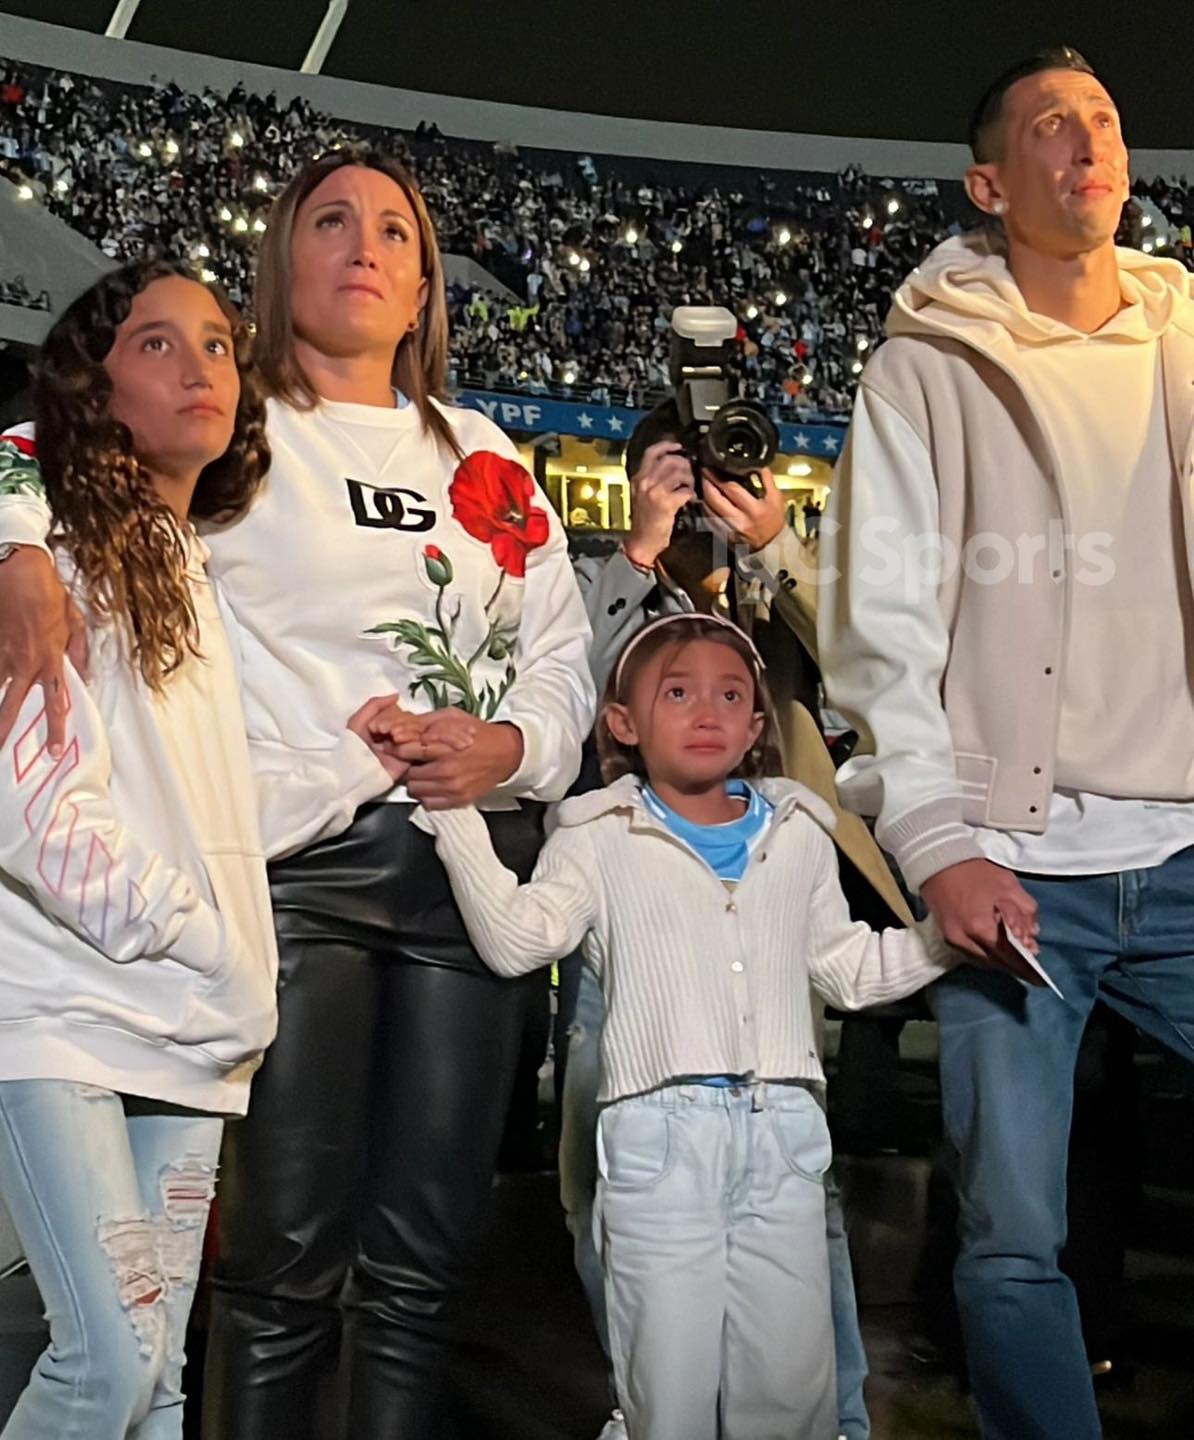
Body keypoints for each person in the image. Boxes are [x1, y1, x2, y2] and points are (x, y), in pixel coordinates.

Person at [0, 149, 594, 1440]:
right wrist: (18, 551)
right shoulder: (230, 426)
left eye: (395, 228)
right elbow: (38, 439)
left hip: (463, 881)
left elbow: (562, 653)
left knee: (425, 1257)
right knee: (280, 1261)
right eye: (331, 220)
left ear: (427, 279)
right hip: (282, 888)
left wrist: (507, 747)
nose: (365, 245)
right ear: (279, 261)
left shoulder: (483, 457)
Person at [367, 614, 1034, 1440]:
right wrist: (457, 818)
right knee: (667, 1395)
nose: (707, 712)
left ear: (757, 726)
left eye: (730, 695)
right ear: (624, 724)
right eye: (677, 693)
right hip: (659, 1143)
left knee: (791, 1398)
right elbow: (519, 942)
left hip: (785, 1137)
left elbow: (849, 969)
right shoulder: (597, 836)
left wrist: (950, 938)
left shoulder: (796, 836)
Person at [820, 47, 1194, 1440]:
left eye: (1102, 116)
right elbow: (881, 629)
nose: (1086, 140)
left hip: (1184, 845)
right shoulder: (924, 365)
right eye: (1050, 125)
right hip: (1013, 871)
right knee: (1010, 1238)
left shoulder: (1185, 334)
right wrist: (934, 846)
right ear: (990, 183)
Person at [0, 260, 398, 1440]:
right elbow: (28, 802)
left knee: (160, 1380)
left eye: (220, 345)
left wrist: (358, 762)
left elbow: (216, 809)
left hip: (185, 1035)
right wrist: (190, 932)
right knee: (109, 1367)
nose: (202, 368)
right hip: (65, 1014)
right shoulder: (49, 552)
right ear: (93, 382)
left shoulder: (184, 569)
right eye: (157, 345)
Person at [569, 402, 912, 1440]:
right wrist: (640, 544)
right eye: (681, 469)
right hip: (628, 929)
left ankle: (831, 1423)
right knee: (611, 1204)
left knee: (796, 1202)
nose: (707, 486)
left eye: (722, 465)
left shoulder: (780, 573)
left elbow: (872, 669)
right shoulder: (603, 571)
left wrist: (776, 548)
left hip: (766, 912)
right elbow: (571, 695)